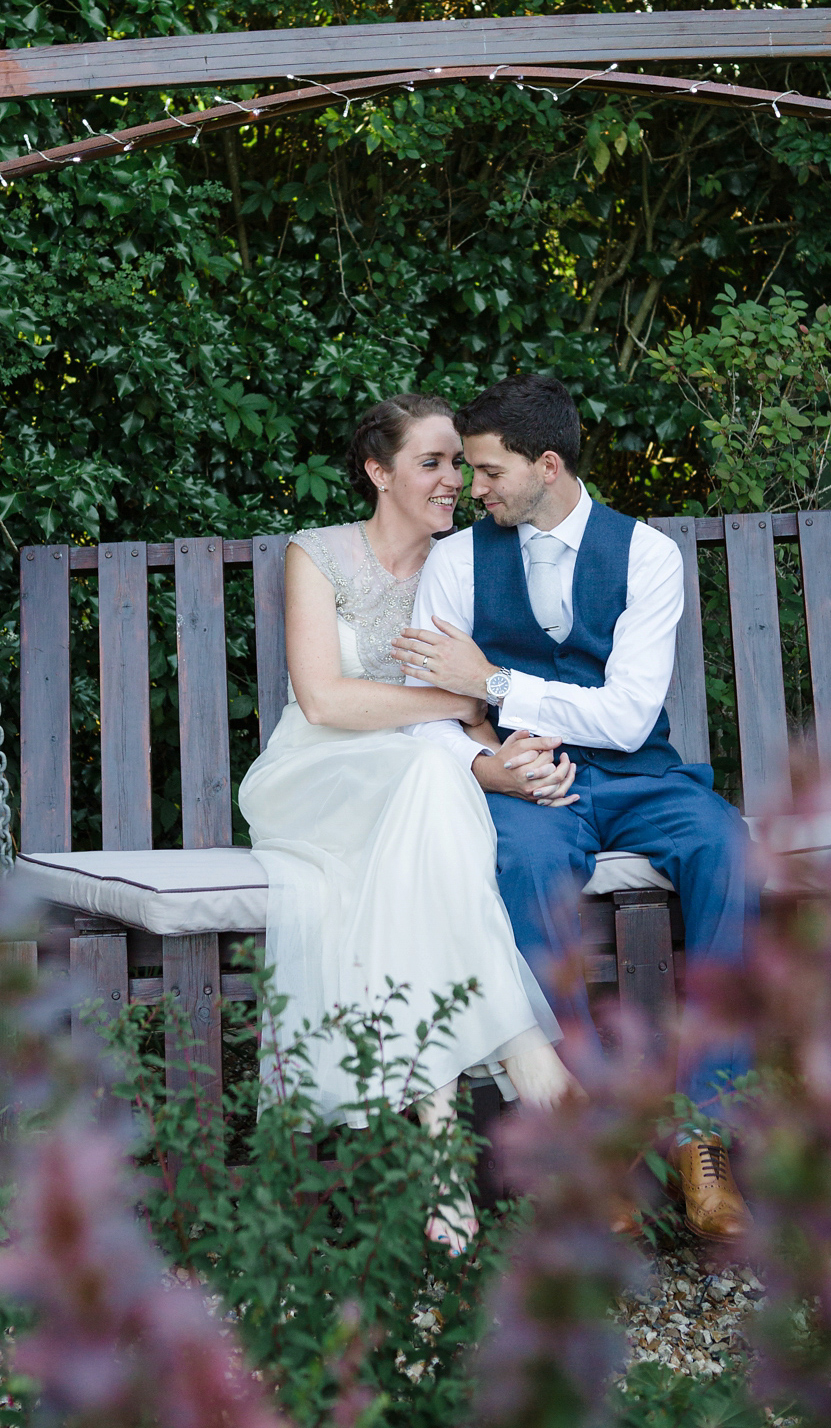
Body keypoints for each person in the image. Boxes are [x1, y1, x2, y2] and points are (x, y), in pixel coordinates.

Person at [391, 374, 755, 1243]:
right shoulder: (455, 561)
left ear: (545, 466)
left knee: (729, 849)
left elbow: (629, 717)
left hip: (639, 777)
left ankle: (707, 1136)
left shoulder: (646, 556)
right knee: (521, 867)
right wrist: (492, 763)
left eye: (487, 471)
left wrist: (495, 684)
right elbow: (422, 705)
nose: (471, 490)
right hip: (527, 781)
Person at [238, 392, 579, 1256]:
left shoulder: (461, 563)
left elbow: (467, 738)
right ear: (378, 471)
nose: (454, 481)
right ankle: (528, 1060)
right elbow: (324, 698)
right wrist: (464, 696)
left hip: (416, 781)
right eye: (432, 463)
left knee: (420, 833)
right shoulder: (315, 557)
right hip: (311, 778)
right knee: (427, 779)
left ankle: (442, 1173)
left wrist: (510, 764)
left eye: (459, 464)